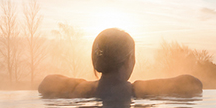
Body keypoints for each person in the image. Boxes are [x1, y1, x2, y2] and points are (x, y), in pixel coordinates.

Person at [38, 28, 203, 98]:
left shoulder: (82, 90)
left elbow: (45, 83)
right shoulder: (135, 91)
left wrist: (81, 85)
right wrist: (146, 87)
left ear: (95, 60)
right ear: (130, 60)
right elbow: (193, 84)